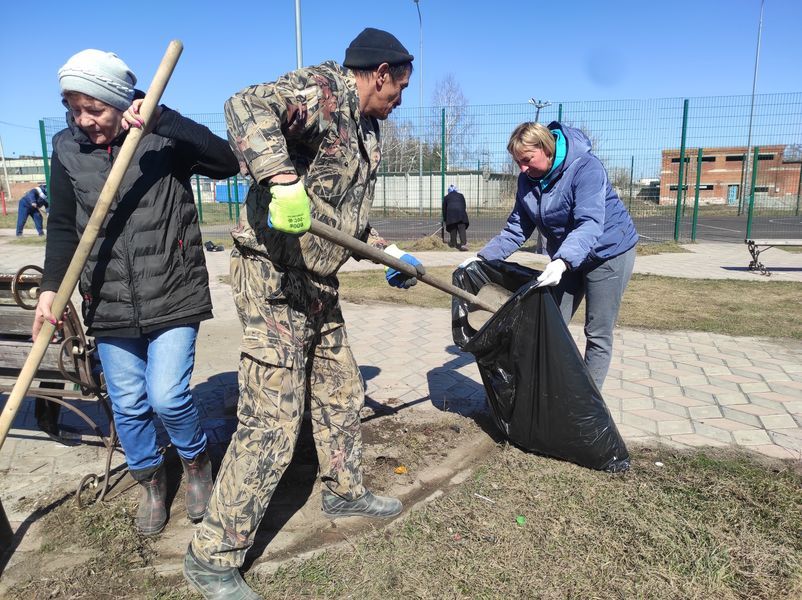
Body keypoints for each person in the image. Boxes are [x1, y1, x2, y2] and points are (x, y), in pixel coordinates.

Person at [183, 28, 421, 599]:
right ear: (381, 72)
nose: (401, 99)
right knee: (274, 417)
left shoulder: (368, 130)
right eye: (401, 87)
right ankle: (212, 555)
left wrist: (385, 251)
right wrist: (281, 179)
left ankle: (343, 489)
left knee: (341, 390)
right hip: (271, 276)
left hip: (317, 278)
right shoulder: (323, 91)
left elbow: (346, 211)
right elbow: (243, 105)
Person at [31, 49, 240, 536]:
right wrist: (49, 288)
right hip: (107, 299)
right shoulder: (66, 148)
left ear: (119, 100)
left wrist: (162, 120)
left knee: (167, 397)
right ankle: (150, 482)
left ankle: (195, 465)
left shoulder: (163, 138)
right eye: (75, 108)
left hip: (172, 290)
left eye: (95, 109)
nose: (84, 121)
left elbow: (227, 162)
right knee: (128, 403)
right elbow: (62, 227)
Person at [462, 121, 638, 389]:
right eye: (517, 162)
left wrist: (562, 260)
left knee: (597, 332)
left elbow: (589, 223)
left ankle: (589, 408)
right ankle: (545, 393)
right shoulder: (527, 181)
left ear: (546, 147)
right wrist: (482, 257)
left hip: (608, 252)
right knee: (549, 326)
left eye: (527, 159)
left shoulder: (585, 168)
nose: (522, 168)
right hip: (567, 258)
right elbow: (516, 230)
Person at [442, 183, 469, 250]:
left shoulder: (446, 197)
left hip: (451, 215)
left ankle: (453, 243)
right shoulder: (461, 195)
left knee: (453, 228)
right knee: (461, 229)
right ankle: (463, 244)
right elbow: (464, 205)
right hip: (461, 214)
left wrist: (445, 219)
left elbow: (444, 209)